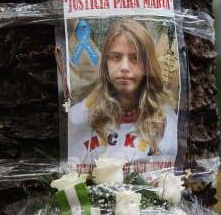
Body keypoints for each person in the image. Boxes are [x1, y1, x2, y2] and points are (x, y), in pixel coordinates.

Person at [68, 20, 178, 169]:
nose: (124, 67)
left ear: (148, 65)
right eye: (116, 57)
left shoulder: (166, 120)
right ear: (106, 63)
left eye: (135, 58)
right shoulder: (79, 117)